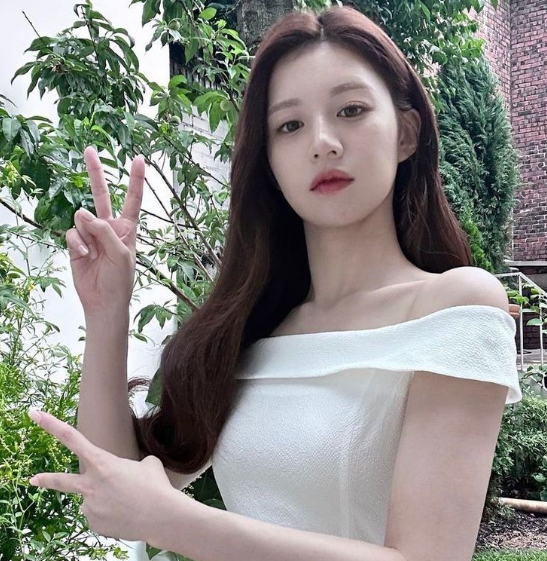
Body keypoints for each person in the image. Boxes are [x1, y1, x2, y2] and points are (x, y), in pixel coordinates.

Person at [70, 4, 522, 560]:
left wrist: (172, 521)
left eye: (351, 110)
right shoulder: (252, 333)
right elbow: (114, 485)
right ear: (271, 162)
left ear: (406, 133)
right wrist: (107, 308)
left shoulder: (454, 307)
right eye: (290, 125)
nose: (322, 142)